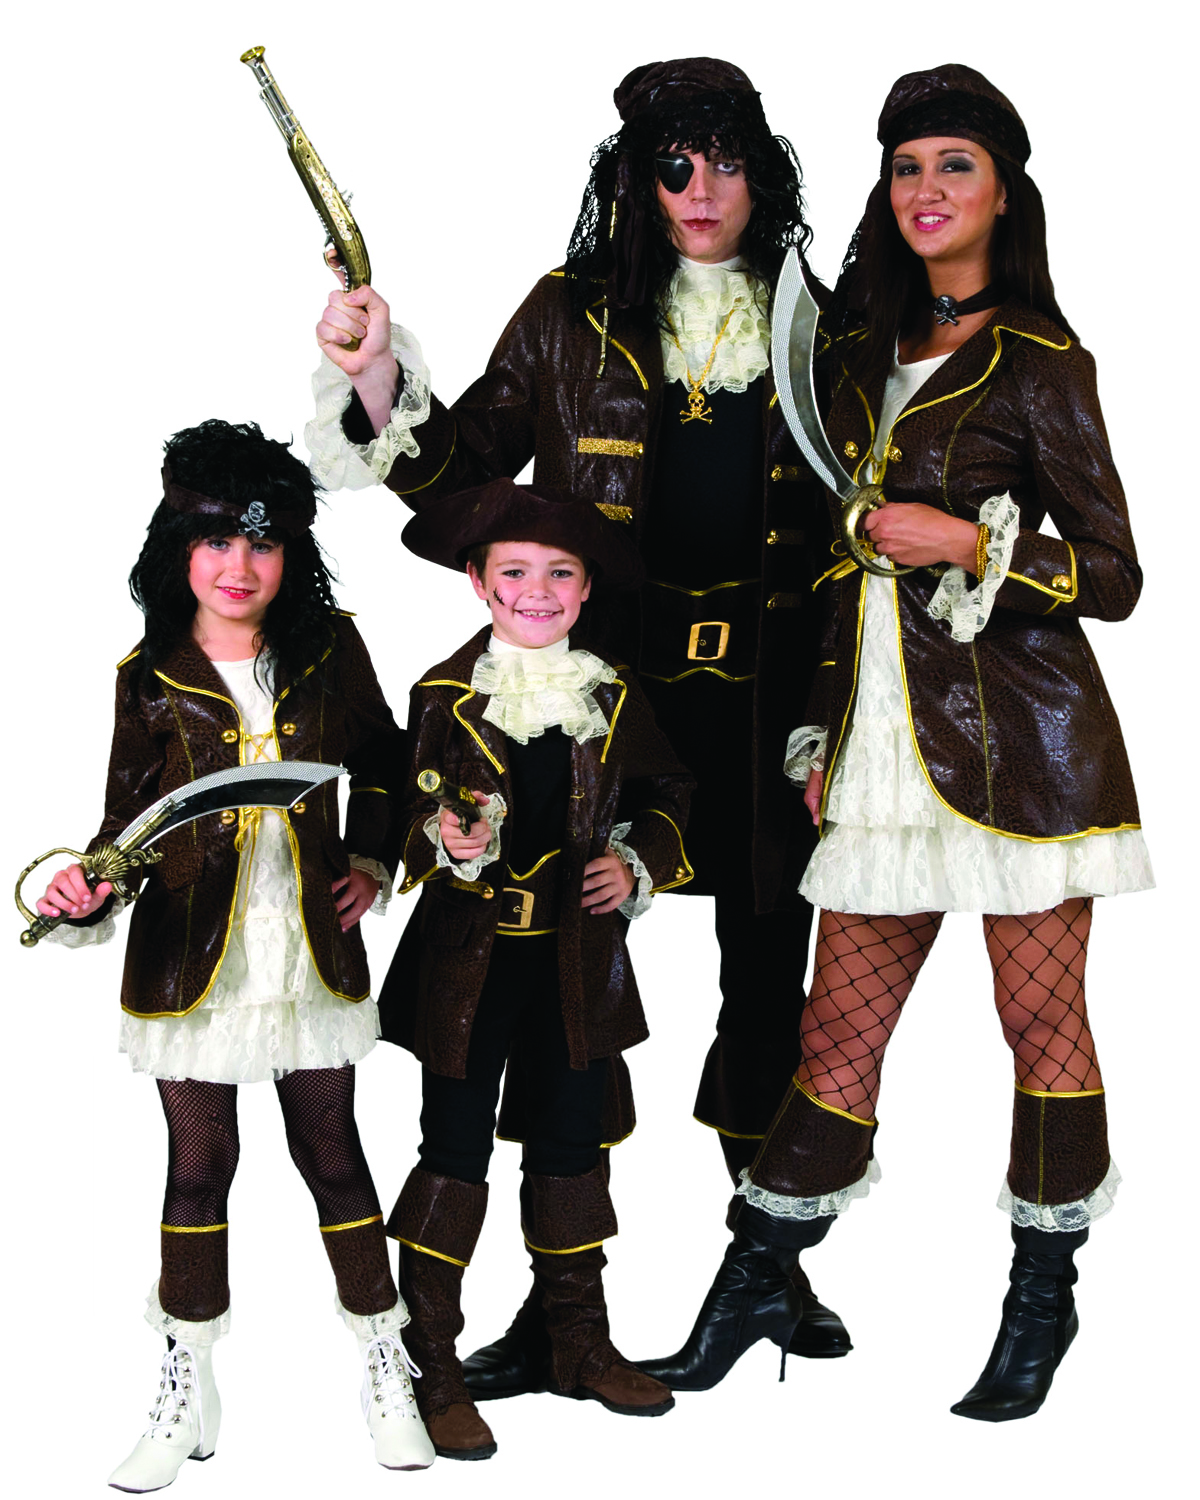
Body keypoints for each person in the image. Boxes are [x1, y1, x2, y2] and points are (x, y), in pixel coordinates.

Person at [305, 54, 850, 1372]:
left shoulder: (814, 321)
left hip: (770, 711)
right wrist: (373, 373)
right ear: (638, 181)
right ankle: (556, 1317)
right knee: (550, 988)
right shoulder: (570, 314)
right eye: (675, 166)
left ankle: (766, 1273)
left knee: (768, 988)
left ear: (763, 177)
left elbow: (858, 530)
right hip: (601, 706)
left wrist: (841, 713)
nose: (702, 189)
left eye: (727, 163)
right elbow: (459, 471)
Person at [639, 64, 1152, 1419]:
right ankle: (754, 1284)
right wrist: (819, 726)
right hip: (879, 747)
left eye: (955, 166)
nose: (926, 189)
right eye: (908, 166)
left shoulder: (1041, 361)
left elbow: (1114, 575)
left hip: (1023, 748)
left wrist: (972, 541)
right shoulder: (855, 346)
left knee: (1041, 1026)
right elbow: (830, 562)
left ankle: (1042, 1303)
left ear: (1004, 194)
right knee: (834, 1039)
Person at [35, 420, 435, 1486]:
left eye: (263, 545)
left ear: (291, 552)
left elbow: (385, 760)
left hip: (305, 951)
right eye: (216, 543)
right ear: (179, 550)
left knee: (333, 1154)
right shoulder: (148, 674)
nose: (239, 568)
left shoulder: (328, 649)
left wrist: (372, 858)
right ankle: (185, 1379)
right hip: (191, 958)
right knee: (199, 1166)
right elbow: (125, 829)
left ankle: (384, 1362)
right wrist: (86, 889)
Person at [377, 478, 693, 1458]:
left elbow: (669, 793)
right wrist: (445, 839)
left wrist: (637, 860)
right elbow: (402, 817)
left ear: (587, 588)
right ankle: (432, 1363)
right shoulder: (443, 693)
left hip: (576, 965)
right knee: (453, 1153)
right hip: (465, 973)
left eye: (560, 573)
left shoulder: (612, 693)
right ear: (479, 583)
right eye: (514, 572)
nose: (538, 591)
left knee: (571, 1147)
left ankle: (577, 1343)